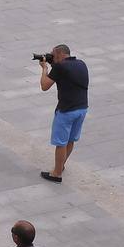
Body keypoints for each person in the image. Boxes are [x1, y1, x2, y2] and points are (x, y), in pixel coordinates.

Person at [39, 45, 89, 183]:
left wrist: (45, 69)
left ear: (60, 54)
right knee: (70, 140)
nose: (52, 57)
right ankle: (61, 166)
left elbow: (44, 86)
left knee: (60, 143)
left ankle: (56, 174)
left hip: (66, 111)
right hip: (82, 108)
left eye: (53, 55)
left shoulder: (59, 68)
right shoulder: (81, 64)